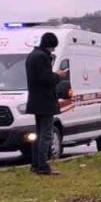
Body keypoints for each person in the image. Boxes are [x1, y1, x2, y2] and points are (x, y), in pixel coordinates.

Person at [25, 32, 68, 175]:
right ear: (50, 45)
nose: (54, 50)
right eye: (53, 47)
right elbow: (45, 79)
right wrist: (58, 76)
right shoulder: (42, 57)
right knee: (46, 134)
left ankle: (35, 164)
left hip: (36, 100)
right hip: (45, 100)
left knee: (38, 133)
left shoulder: (32, 55)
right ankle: (43, 165)